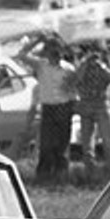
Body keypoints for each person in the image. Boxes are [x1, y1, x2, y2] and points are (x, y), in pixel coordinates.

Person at [22, 37, 76, 181]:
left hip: (64, 107)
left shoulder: (69, 69)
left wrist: (72, 105)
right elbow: (22, 55)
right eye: (52, 50)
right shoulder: (41, 65)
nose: (56, 54)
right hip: (48, 107)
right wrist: (37, 40)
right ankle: (44, 175)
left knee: (62, 144)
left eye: (58, 50)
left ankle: (61, 175)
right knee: (46, 145)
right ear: (47, 52)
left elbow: (72, 90)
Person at [73, 42, 110, 169]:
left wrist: (102, 66)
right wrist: (86, 63)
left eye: (97, 51)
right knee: (86, 140)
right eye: (92, 51)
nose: (94, 54)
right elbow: (76, 80)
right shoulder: (83, 64)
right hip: (86, 103)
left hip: (101, 103)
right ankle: (89, 167)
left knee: (106, 139)